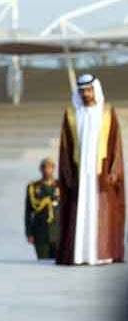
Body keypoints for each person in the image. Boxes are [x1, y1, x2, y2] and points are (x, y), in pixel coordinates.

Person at [57, 74, 125, 265]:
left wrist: (114, 170)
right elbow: (65, 148)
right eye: (82, 91)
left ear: (95, 90)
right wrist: (68, 174)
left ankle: (102, 253)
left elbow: (115, 145)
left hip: (101, 172)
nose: (86, 94)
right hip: (79, 174)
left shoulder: (107, 113)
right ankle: (79, 254)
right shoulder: (71, 114)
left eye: (88, 90)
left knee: (103, 212)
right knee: (78, 212)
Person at [24, 158, 60, 260]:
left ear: (53, 169)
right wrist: (29, 233)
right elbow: (28, 212)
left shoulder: (60, 186)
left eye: (49, 167)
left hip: (58, 232)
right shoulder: (34, 187)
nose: (47, 170)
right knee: (43, 262)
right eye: (44, 167)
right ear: (40, 169)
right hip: (40, 232)